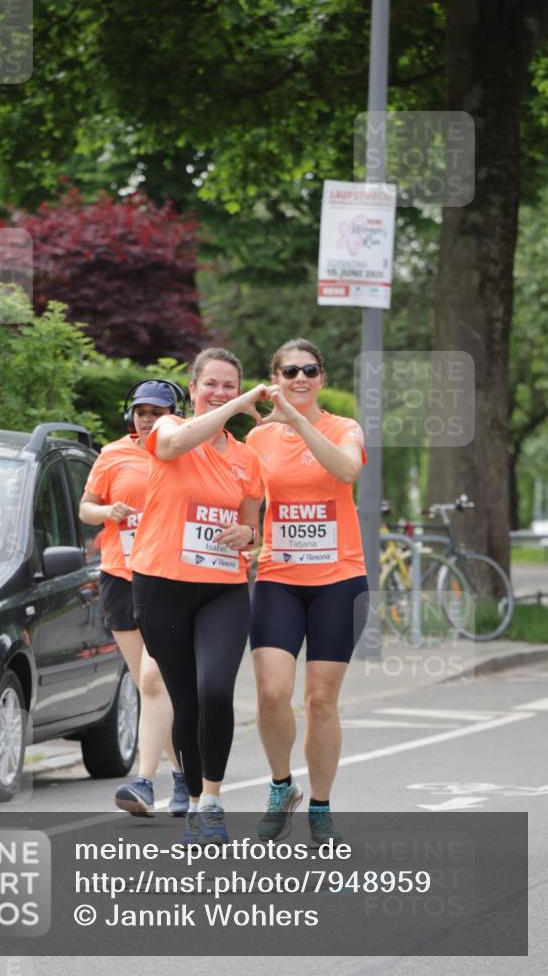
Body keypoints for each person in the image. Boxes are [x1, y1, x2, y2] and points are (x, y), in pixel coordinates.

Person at [130, 349, 266, 844]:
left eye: (230, 386)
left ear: (239, 389)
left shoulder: (247, 458)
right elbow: (174, 445)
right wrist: (232, 409)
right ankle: (189, 801)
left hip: (222, 589)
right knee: (185, 700)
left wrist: (247, 535)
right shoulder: (169, 428)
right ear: (193, 389)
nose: (220, 393)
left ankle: (212, 799)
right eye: (211, 384)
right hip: (161, 585)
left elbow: (252, 527)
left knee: (215, 691)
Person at [245, 338, 369, 845]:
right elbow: (247, 505)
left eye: (310, 370)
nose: (300, 378)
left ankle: (320, 806)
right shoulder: (258, 438)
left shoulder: (344, 427)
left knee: (320, 700)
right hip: (279, 576)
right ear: (275, 378)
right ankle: (281, 787)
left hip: (339, 580)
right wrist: (241, 535)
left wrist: (296, 421)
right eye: (290, 371)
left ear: (322, 378)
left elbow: (346, 470)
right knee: (271, 692)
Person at [79, 380, 189, 817]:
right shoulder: (112, 455)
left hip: (166, 578)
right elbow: (86, 507)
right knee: (149, 686)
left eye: (157, 413)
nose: (147, 419)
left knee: (157, 680)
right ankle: (181, 776)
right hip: (121, 576)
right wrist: (107, 512)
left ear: (174, 417)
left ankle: (155, 779)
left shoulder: (184, 454)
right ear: (131, 415)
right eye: (141, 412)